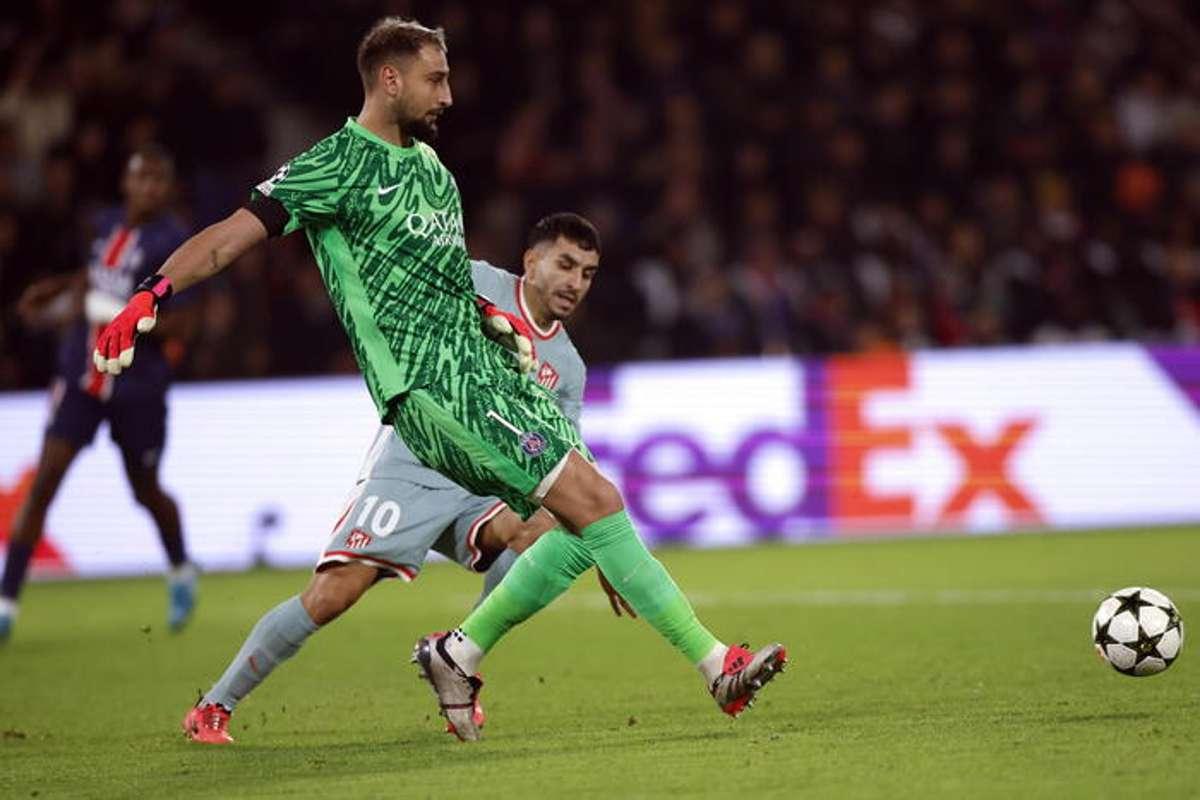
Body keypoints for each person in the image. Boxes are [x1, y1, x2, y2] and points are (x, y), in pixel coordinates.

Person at [92, 17, 786, 743]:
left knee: (592, 510)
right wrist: (151, 292)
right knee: (339, 591)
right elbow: (230, 235)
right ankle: (702, 666)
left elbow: (448, 284)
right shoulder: (334, 166)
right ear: (390, 79)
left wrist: (492, 327)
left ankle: (473, 652)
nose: (449, 94)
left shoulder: (432, 172)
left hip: (487, 381)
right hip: (429, 393)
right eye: (436, 78)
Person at [182, 213, 632, 744]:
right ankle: (214, 705)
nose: (575, 282)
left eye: (587, 273)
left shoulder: (568, 367)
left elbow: (569, 458)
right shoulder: (474, 281)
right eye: (565, 265)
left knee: (535, 530)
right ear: (531, 261)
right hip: (415, 464)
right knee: (333, 596)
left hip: (479, 488)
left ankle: (456, 658)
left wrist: (604, 542)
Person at [1, 145, 197, 643]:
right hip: (82, 377)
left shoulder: (175, 243)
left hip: (137, 386)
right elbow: (95, 275)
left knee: (145, 491)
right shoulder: (105, 224)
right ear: (126, 183)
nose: (148, 188)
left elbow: (184, 325)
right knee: (44, 483)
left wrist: (121, 315)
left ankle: (179, 569)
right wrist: (59, 289)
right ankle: (6, 601)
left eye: (158, 180)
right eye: (140, 177)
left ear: (168, 188)